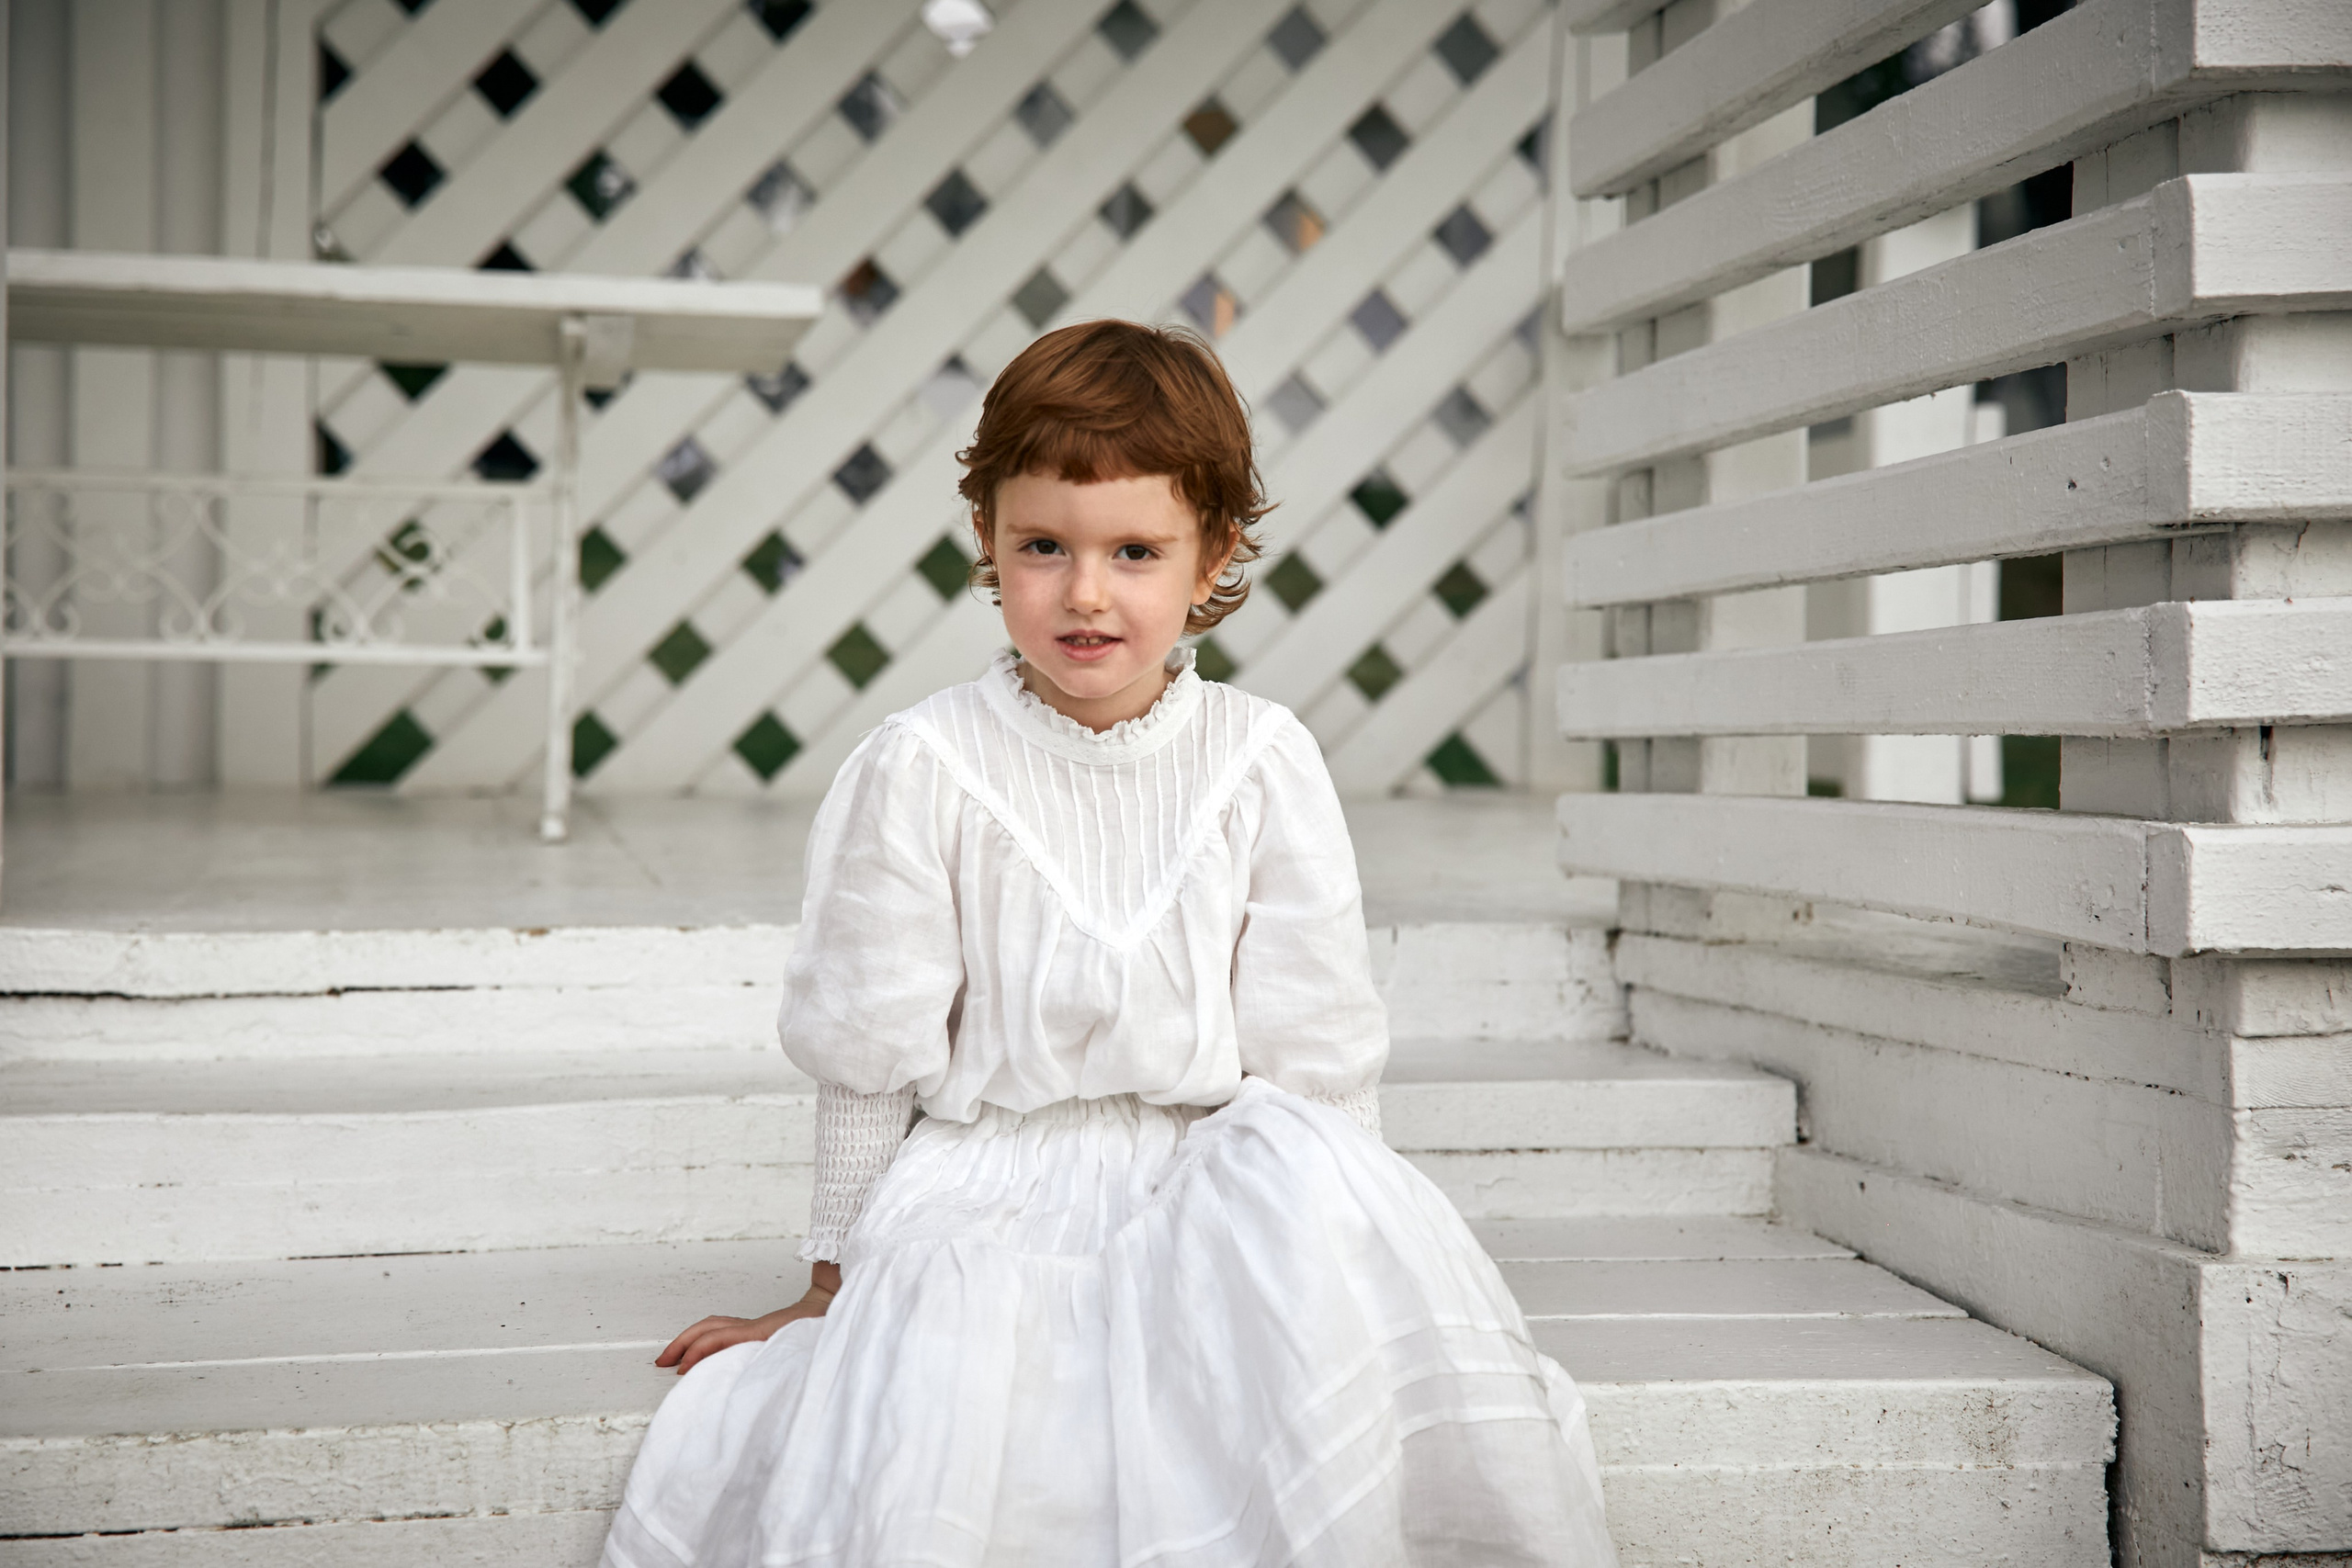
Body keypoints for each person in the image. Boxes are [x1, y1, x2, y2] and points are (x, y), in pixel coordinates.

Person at [602, 321, 1616, 1568]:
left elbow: (1317, 1055)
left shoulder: (1260, 761)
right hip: (990, 1177)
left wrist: (1360, 1259)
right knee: (983, 1402)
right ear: (988, 541)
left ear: (1212, 558)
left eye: (1136, 551)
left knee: (1260, 1363)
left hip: (1213, 1170)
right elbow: (871, 1046)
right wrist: (829, 1290)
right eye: (1044, 547)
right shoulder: (923, 768)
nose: (1086, 593)